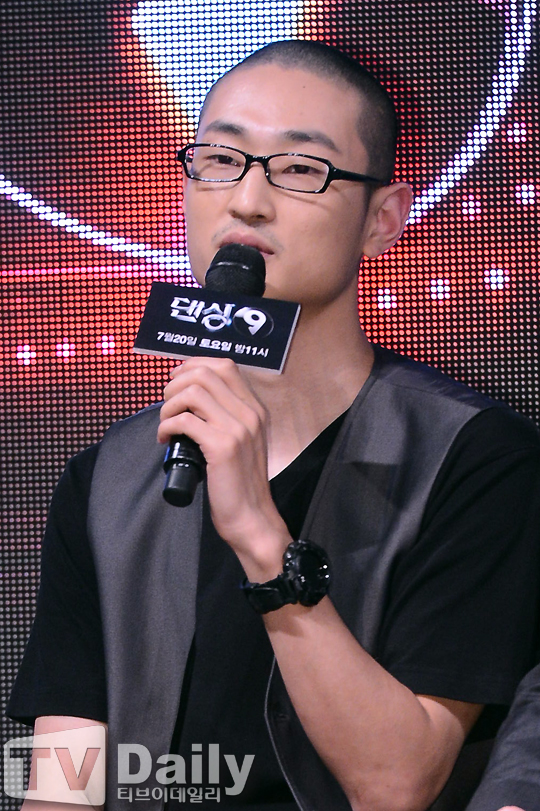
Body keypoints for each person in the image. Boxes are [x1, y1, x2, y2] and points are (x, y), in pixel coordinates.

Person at [7, 39, 540, 811]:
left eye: (299, 168)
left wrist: (261, 535)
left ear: (382, 219)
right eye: (221, 161)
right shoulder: (108, 479)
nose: (247, 200)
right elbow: (63, 786)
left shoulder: (474, 456)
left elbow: (396, 782)